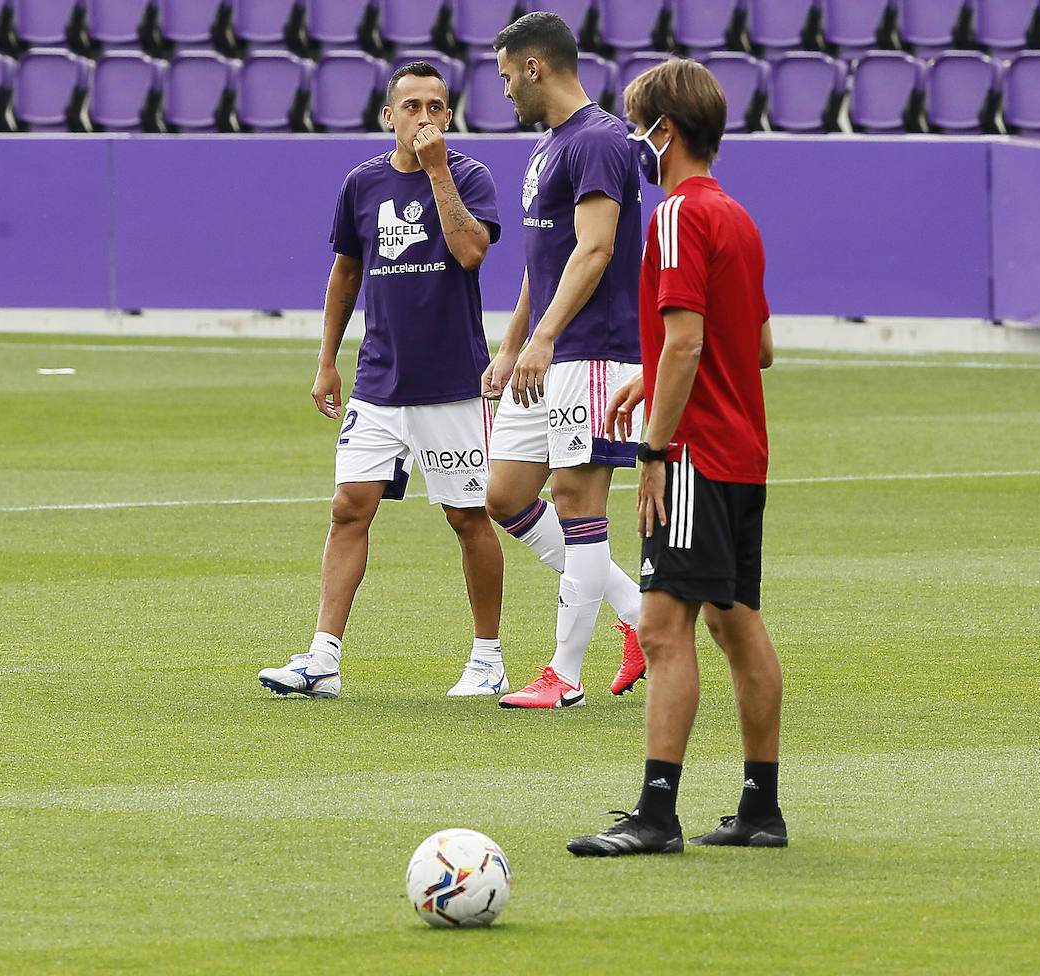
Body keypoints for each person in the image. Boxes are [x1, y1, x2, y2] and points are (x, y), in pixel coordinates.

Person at [568, 58, 784, 855]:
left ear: (666, 130)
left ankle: (657, 814)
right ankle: (760, 807)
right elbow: (756, 346)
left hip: (693, 452)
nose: (634, 141)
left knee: (661, 628)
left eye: (638, 126)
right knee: (736, 622)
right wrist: (646, 372)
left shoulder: (672, 218)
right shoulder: (737, 217)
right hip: (744, 452)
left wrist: (653, 449)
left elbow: (691, 340)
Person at [258, 62, 508, 700]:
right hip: (378, 381)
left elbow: (472, 251)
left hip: (452, 382)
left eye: (435, 106)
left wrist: (439, 171)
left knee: (466, 516)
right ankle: (323, 658)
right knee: (348, 509)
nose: (424, 117)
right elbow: (346, 273)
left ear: (448, 116)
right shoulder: (361, 184)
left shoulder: (470, 176)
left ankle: (487, 659)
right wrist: (326, 360)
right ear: (389, 116)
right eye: (412, 106)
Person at [483, 11, 648, 709]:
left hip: (595, 349)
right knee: (507, 496)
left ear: (534, 67)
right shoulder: (551, 144)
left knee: (581, 504)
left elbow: (596, 247)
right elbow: (541, 260)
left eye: (504, 78)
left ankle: (564, 676)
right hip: (550, 349)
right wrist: (515, 340)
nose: (503, 95)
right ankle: (640, 618)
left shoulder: (602, 140)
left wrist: (547, 336)